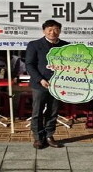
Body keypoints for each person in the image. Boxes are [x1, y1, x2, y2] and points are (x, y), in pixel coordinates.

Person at [25, 19, 69, 149]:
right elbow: (29, 64)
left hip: (58, 85)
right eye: (49, 29)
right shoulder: (34, 45)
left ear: (60, 31)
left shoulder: (66, 46)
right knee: (37, 111)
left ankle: (49, 135)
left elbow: (71, 66)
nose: (53, 32)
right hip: (40, 84)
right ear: (44, 30)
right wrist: (40, 79)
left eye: (56, 29)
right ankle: (38, 138)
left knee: (53, 111)